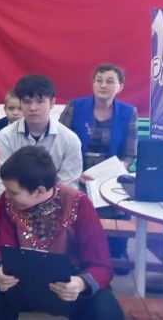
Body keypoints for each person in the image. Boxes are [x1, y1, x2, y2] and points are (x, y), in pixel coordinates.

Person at [0, 146, 123, 320]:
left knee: (106, 310)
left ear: (39, 191)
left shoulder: (78, 204)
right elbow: (1, 245)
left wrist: (80, 283)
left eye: (13, 192)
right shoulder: (8, 202)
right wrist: (1, 268)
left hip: (69, 284)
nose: (6, 195)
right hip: (19, 280)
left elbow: (101, 264)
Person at [59, 64, 137, 273]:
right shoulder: (75, 106)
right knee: (72, 198)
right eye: (99, 80)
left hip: (110, 172)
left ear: (120, 86)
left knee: (119, 198)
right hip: (76, 168)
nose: (103, 85)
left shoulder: (128, 112)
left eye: (110, 81)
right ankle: (77, 250)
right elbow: (61, 143)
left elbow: (129, 153)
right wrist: (75, 173)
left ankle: (117, 249)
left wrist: (115, 171)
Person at [0, 75, 82, 194]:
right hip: (15, 201)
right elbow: (2, 181)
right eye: (27, 102)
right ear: (20, 103)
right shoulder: (5, 136)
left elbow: (68, 186)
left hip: (56, 202)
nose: (33, 108)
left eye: (40, 101)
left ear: (52, 103)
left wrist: (46, 204)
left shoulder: (70, 140)